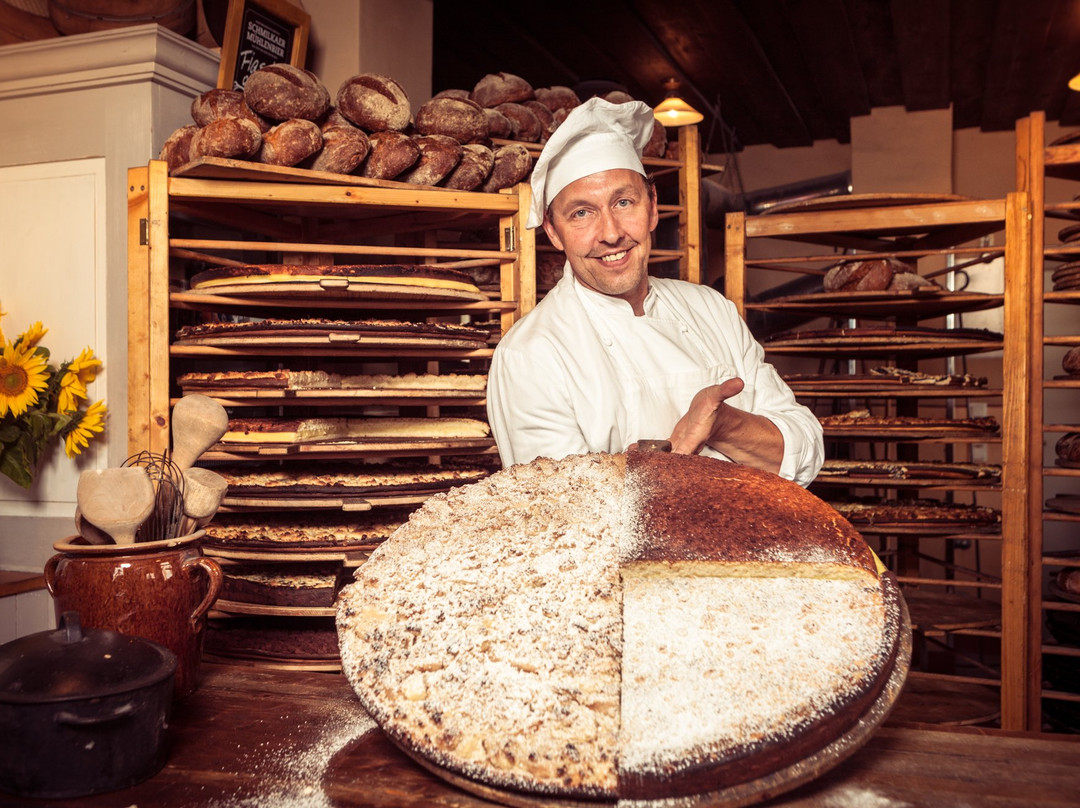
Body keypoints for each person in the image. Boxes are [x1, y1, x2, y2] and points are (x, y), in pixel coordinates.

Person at [486, 97, 823, 487]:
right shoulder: (530, 356)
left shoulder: (711, 310)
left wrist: (724, 426)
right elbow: (566, 516)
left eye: (623, 202)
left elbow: (806, 449)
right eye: (582, 213)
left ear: (653, 207)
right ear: (553, 232)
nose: (611, 233)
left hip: (751, 547)